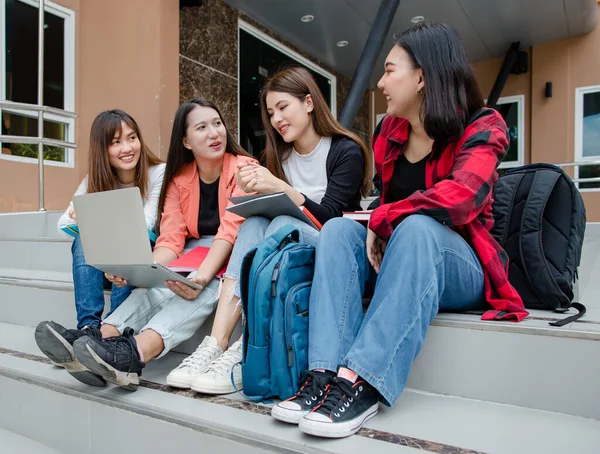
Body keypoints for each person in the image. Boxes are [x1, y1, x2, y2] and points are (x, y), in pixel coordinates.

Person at [270, 22, 529, 438]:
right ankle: (321, 375)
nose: (381, 82)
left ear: (422, 76)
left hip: (460, 266)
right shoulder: (389, 132)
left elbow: (461, 198)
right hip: (398, 257)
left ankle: (362, 382)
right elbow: (382, 205)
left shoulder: (484, 125)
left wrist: (386, 218)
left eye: (390, 70)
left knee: (419, 227)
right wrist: (375, 218)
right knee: (337, 229)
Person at [165, 66, 371, 395]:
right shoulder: (278, 155)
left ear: (308, 102)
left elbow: (332, 219)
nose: (276, 119)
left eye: (283, 108)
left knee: (282, 222)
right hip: (283, 252)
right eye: (271, 112)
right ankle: (217, 343)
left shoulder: (345, 150)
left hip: (333, 252)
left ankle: (250, 346)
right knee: (256, 222)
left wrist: (278, 187)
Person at [36, 98, 254, 390]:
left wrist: (200, 276)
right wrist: (147, 270)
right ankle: (98, 338)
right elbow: (172, 239)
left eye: (217, 124)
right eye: (202, 127)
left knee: (201, 289)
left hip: (234, 255)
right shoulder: (180, 179)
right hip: (195, 252)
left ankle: (135, 354)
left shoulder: (244, 168)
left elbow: (229, 232)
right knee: (156, 287)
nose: (214, 133)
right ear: (186, 141)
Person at [35, 110, 164, 385]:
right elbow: (62, 223)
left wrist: (97, 217)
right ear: (102, 149)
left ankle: (113, 336)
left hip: (145, 250)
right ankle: (88, 329)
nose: (127, 148)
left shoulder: (158, 172)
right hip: (107, 253)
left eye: (132, 138)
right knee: (81, 237)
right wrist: (80, 217)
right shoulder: (94, 179)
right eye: (116, 142)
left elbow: (146, 222)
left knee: (120, 234)